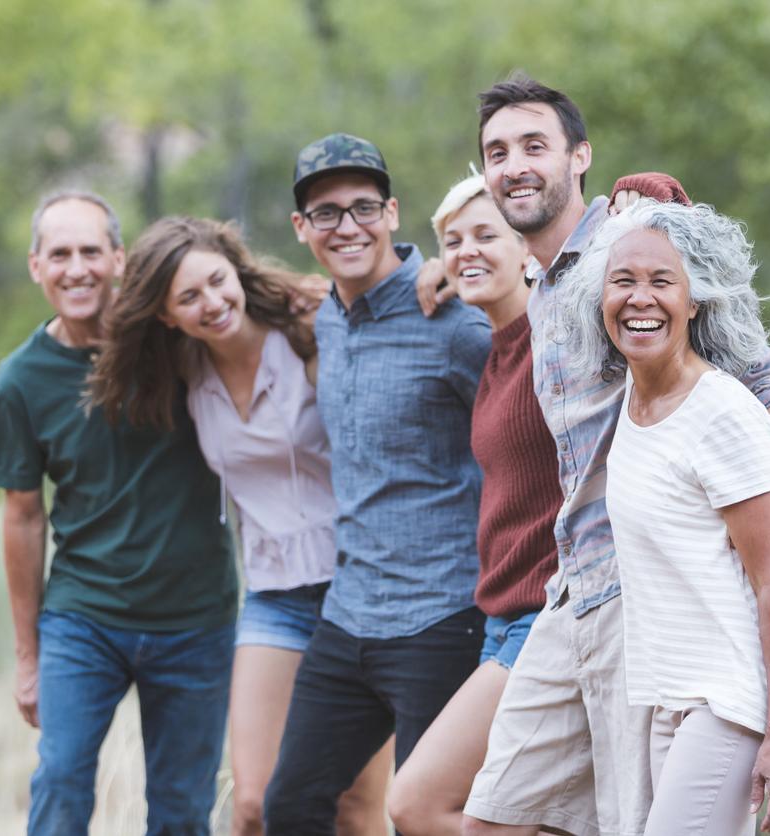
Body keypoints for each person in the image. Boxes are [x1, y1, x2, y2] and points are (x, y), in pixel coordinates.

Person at [409, 75, 770, 836]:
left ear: (580, 156)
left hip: (643, 591)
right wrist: (433, 272)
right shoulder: (538, 286)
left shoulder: (630, 246)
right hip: (570, 593)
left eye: (536, 146)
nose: (516, 165)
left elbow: (767, 372)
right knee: (490, 819)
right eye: (497, 153)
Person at [389, 171, 690, 836]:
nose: (468, 250)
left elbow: (648, 283)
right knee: (543, 819)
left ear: (529, 246)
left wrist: (652, 202)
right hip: (500, 619)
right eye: (452, 240)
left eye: (486, 235)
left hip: (551, 613)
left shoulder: (567, 336)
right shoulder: (490, 348)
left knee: (417, 803)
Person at [87, 216, 391, 836]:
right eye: (189, 298)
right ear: (167, 316)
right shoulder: (185, 371)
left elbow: (385, 300)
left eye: (217, 283)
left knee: (357, 809)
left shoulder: (307, 329)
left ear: (237, 272)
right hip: (273, 598)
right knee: (252, 804)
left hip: (359, 593)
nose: (212, 304)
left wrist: (435, 275)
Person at [560, 198, 770, 834]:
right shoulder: (631, 398)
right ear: (599, 301)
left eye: (662, 282)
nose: (640, 299)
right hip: (667, 697)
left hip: (729, 698)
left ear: (695, 301)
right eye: (623, 281)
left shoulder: (724, 414)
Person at [0, 191, 237, 835]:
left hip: (195, 620)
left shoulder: (174, 340)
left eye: (91, 251)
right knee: (61, 782)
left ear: (119, 259)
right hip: (83, 620)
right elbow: (23, 518)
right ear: (35, 266)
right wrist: (28, 657)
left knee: (181, 810)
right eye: (59, 254)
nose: (77, 268)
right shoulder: (18, 384)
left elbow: (251, 309)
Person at [262, 134, 494, 835]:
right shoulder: (324, 318)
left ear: (393, 213)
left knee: (424, 818)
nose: (348, 226)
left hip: (442, 615)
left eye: (364, 207)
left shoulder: (457, 322)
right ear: (302, 229)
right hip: (348, 615)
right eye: (326, 214)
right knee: (290, 807)